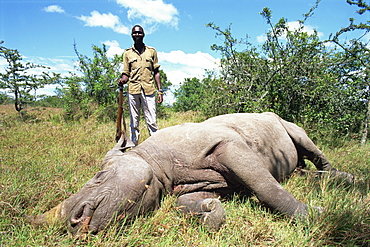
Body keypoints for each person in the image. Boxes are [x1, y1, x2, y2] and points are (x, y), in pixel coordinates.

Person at [118, 25, 163, 146]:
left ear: (143, 34)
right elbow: (126, 74)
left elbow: (156, 72)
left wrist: (160, 91)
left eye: (139, 33)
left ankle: (156, 146)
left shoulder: (151, 51)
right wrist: (122, 80)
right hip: (133, 90)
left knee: (152, 120)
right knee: (134, 121)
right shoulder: (127, 53)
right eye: (134, 33)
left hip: (149, 90)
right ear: (131, 35)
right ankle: (134, 147)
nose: (137, 35)